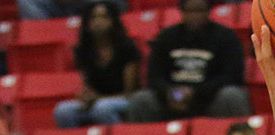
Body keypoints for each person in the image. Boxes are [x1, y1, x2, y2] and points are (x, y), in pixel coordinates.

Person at [126, 0, 250, 123]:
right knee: (141, 99)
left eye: (199, 10)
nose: (195, 15)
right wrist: (169, 92)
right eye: (190, 11)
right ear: (182, 12)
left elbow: (232, 76)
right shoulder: (166, 37)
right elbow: (154, 76)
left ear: (208, 11)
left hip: (210, 98)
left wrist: (195, 92)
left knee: (232, 95)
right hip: (171, 99)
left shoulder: (226, 37)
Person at [53, 0, 141, 128]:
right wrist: (86, 96)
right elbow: (87, 84)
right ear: (87, 23)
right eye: (94, 18)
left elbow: (129, 92)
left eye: (104, 17)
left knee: (103, 108)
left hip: (124, 100)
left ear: (113, 21)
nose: (98, 22)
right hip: (98, 101)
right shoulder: (82, 51)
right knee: (62, 110)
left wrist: (99, 99)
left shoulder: (127, 48)